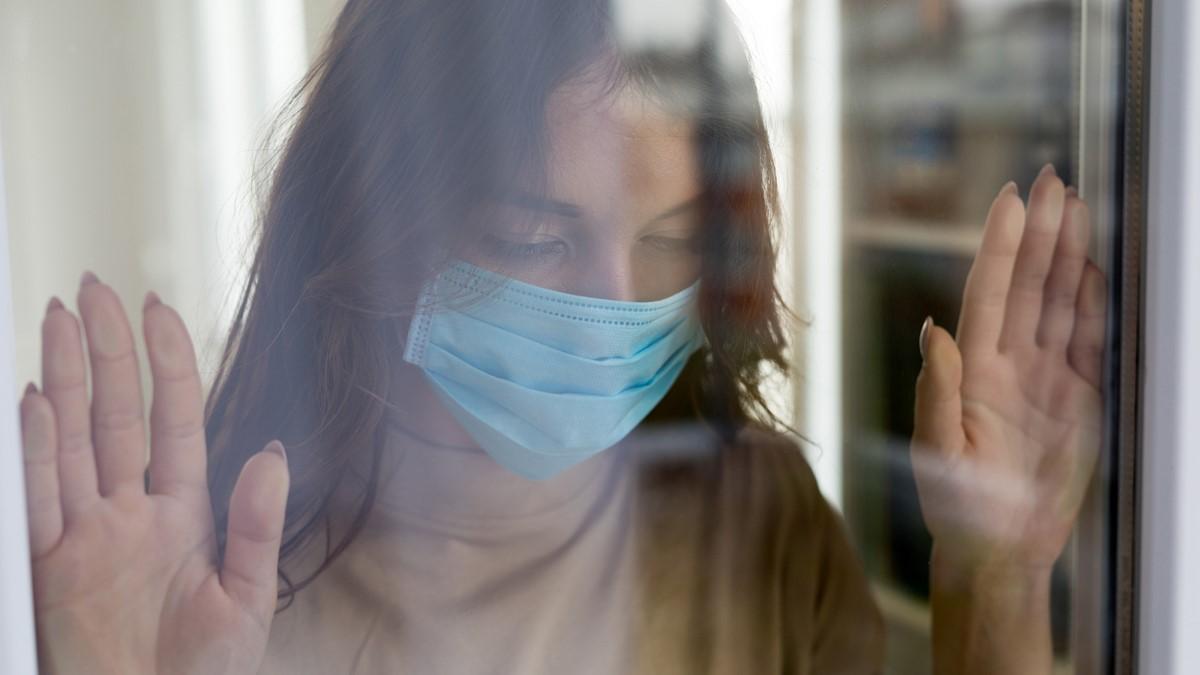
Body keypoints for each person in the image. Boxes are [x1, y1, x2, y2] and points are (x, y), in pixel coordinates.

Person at [17, 0, 1107, 672]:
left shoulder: (759, 527)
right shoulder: (205, 582)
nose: (617, 303)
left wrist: (997, 587)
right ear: (371, 224)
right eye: (532, 237)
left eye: (674, 241)